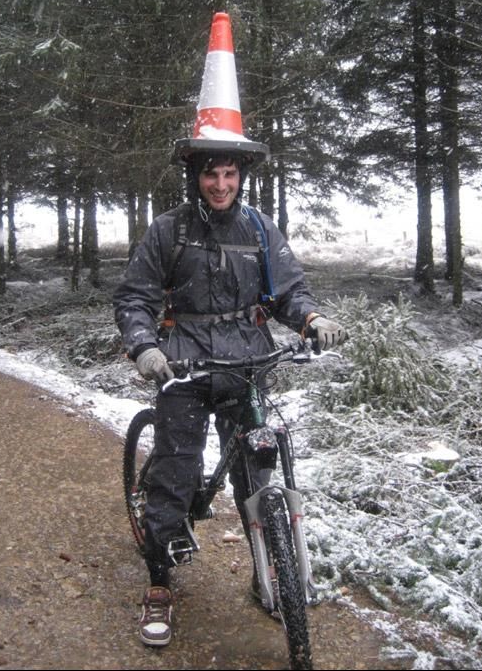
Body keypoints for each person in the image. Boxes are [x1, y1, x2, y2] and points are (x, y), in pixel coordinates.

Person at [113, 147, 346, 647]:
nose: (221, 184)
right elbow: (136, 297)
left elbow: (289, 292)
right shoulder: (169, 230)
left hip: (248, 363)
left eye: (229, 174)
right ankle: (159, 582)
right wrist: (145, 349)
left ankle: (271, 573)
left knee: (255, 470)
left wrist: (311, 319)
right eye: (211, 175)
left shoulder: (260, 230)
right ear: (195, 178)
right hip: (185, 362)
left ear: (241, 177)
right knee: (176, 468)